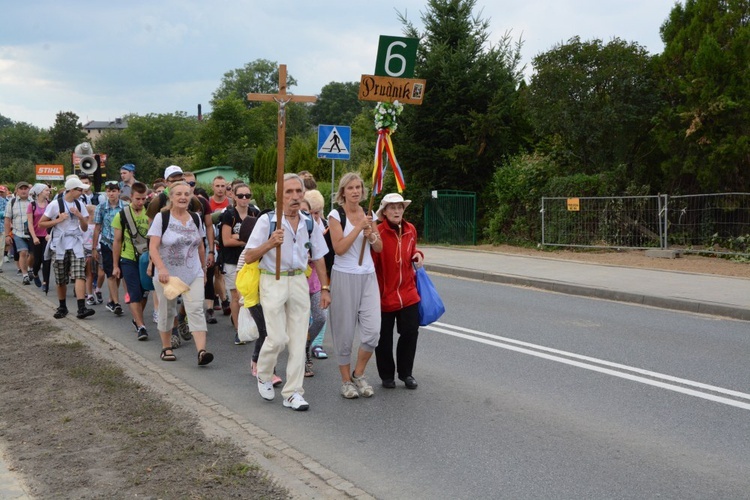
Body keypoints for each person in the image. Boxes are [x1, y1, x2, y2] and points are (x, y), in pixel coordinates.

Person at [244, 173, 330, 411]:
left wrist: (324, 287)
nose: (294, 197)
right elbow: (249, 256)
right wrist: (270, 243)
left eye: (298, 192)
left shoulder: (310, 222)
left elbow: (320, 256)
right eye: (288, 192)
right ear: (278, 196)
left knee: (298, 341)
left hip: (299, 281)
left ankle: (293, 392)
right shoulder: (267, 221)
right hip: (273, 280)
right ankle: (263, 372)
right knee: (278, 338)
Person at [327, 172, 383, 399]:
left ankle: (358, 373)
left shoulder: (369, 214)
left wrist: (371, 235)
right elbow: (339, 248)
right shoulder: (335, 215)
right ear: (343, 192)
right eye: (350, 187)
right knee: (345, 332)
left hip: (368, 276)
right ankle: (345, 381)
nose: (355, 191)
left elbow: (378, 248)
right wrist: (359, 227)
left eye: (358, 187)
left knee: (372, 333)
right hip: (344, 276)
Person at [147, 181, 213, 366]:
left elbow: (200, 245)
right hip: (168, 275)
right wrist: (161, 268)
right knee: (167, 311)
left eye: (187, 194)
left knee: (196, 309)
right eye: (179, 194)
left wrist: (204, 269)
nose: (183, 197)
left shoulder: (196, 218)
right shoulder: (163, 218)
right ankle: (166, 347)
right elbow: (153, 247)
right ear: (171, 197)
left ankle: (201, 351)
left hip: (193, 271)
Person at [372, 193, 424, 390]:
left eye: (399, 207)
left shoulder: (410, 229)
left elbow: (413, 251)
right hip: (385, 295)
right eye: (392, 208)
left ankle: (406, 373)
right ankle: (386, 375)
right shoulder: (378, 232)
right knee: (384, 338)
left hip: (409, 293)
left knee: (410, 332)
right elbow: (372, 264)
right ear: (384, 211)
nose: (396, 211)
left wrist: (418, 255)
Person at [38, 177, 95, 320]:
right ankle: (62, 306)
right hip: (60, 243)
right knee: (61, 278)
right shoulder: (55, 205)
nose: (82, 192)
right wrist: (58, 219)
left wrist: (80, 216)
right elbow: (41, 224)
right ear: (72, 190)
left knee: (79, 274)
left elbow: (85, 227)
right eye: (79, 190)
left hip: (75, 242)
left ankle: (81, 307)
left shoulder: (80, 204)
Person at [219, 182, 259, 343]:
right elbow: (226, 240)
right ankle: (238, 329)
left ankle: (251, 326)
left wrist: (239, 238)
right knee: (236, 296)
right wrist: (246, 240)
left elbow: (260, 238)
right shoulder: (229, 215)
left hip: (251, 260)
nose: (244, 199)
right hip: (231, 260)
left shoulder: (255, 213)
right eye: (241, 195)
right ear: (234, 197)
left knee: (251, 295)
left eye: (247, 196)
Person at [112, 182, 151, 341]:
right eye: (137, 199)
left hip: (147, 259)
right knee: (134, 292)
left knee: (144, 292)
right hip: (128, 258)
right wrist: (116, 265)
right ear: (131, 198)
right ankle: (141, 326)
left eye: (143, 199)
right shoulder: (121, 215)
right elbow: (117, 241)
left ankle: (137, 318)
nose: (140, 202)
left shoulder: (150, 213)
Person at [299, 197, 328, 377]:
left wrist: (326, 287)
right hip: (296, 282)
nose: (304, 215)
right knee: (299, 322)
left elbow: (322, 256)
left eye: (307, 212)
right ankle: (302, 357)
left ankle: (306, 345)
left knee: (320, 318)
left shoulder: (314, 228)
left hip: (315, 282)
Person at [304, 189, 333, 361]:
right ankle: (303, 350)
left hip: (317, 278)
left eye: (318, 212)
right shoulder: (301, 225)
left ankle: (315, 343)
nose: (315, 216)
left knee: (321, 315)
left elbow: (328, 254)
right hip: (299, 278)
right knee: (303, 316)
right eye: (311, 212)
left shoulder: (324, 226)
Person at [93, 180, 126, 316]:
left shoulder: (125, 206)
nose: (111, 193)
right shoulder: (101, 207)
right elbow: (97, 227)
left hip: (123, 244)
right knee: (110, 273)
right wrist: (94, 247)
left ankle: (112, 300)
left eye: (114, 190)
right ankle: (116, 303)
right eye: (109, 191)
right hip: (107, 243)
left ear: (119, 191)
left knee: (118, 273)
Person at [4, 181, 32, 284]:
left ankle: (30, 269)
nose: (24, 190)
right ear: (17, 190)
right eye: (21, 189)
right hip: (18, 232)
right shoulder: (11, 202)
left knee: (32, 255)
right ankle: (25, 275)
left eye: (26, 188)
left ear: (29, 190)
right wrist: (7, 235)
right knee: (23, 252)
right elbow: (7, 220)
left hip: (32, 233)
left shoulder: (33, 201)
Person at [27, 183, 51, 290]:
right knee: (37, 260)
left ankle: (45, 282)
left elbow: (52, 220)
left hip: (47, 236)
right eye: (46, 190)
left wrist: (50, 233)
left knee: (46, 259)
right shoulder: (32, 205)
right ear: (40, 192)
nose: (48, 192)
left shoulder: (50, 204)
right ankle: (35, 273)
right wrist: (34, 237)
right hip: (36, 235)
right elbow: (30, 223)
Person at [0, 185, 8, 270]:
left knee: (1, 247)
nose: (0, 194)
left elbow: (6, 213)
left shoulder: (5, 201)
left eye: (2, 192)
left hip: (1, 227)